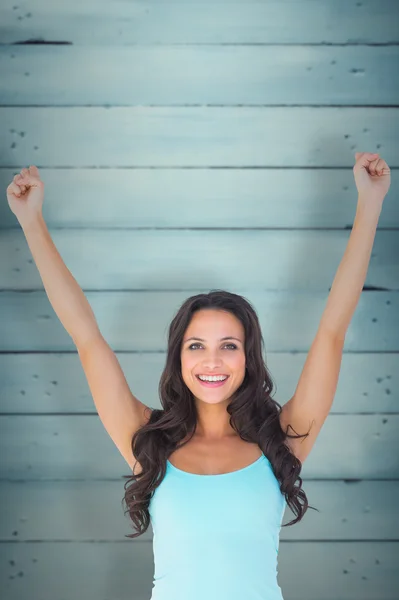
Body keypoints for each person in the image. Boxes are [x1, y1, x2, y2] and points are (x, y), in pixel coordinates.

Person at [6, 153, 391, 599]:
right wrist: (31, 221)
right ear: (178, 358)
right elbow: (87, 337)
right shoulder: (147, 441)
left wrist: (370, 204)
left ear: (247, 358)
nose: (212, 362)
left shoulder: (283, 438)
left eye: (229, 346)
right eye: (196, 347)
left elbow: (332, 333)